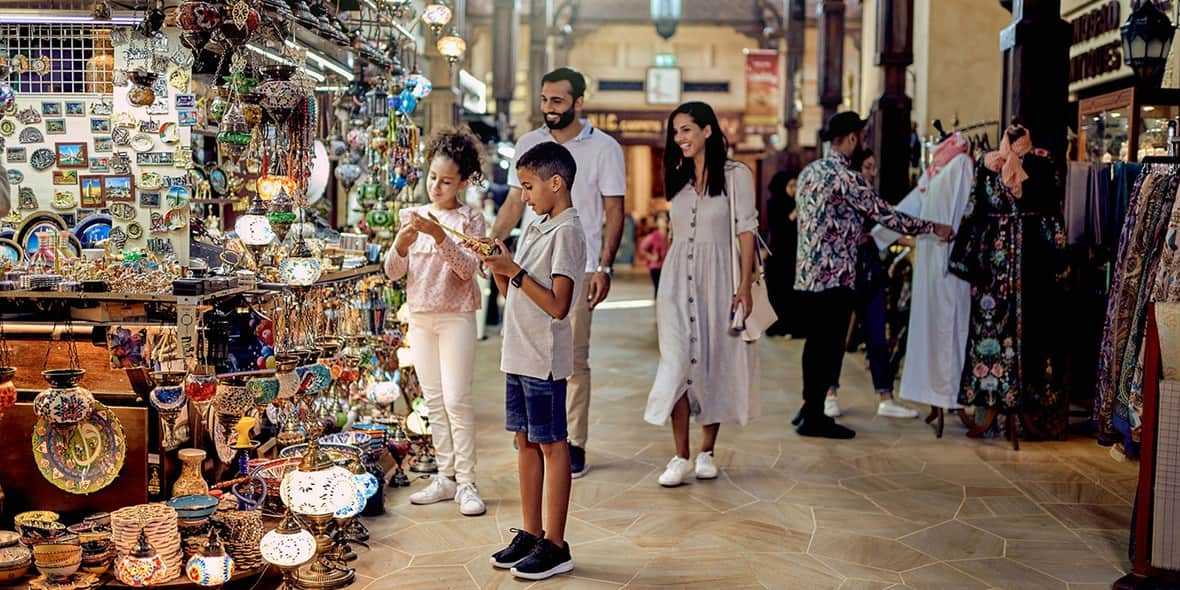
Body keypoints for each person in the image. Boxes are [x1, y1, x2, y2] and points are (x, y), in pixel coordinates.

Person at [492, 67, 626, 479]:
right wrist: (492, 242)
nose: (548, 109)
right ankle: (538, 435)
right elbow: (517, 201)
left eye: (557, 101)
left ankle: (572, 441)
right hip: (533, 256)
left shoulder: (605, 147)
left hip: (578, 261)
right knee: (530, 350)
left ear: (578, 102)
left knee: (573, 356)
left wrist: (604, 265)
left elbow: (614, 209)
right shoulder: (530, 143)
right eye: (544, 100)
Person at [793, 111, 954, 439]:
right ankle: (814, 417)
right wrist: (932, 226)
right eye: (862, 137)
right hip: (835, 275)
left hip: (808, 274)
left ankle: (808, 408)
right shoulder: (846, 177)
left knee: (815, 345)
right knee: (830, 346)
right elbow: (885, 214)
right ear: (853, 138)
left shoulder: (810, 172)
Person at [480, 142, 585, 581]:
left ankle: (556, 545)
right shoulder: (540, 226)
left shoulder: (568, 232)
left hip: (543, 357)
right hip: (518, 350)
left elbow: (559, 306)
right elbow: (518, 297)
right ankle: (531, 530)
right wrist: (499, 270)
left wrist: (515, 270)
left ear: (555, 183)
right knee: (524, 442)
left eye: (528, 186)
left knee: (552, 444)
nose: (523, 196)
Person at [644, 101, 760, 486]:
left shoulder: (736, 175)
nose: (679, 138)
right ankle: (679, 455)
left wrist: (743, 285)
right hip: (677, 280)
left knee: (712, 361)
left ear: (708, 130)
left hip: (719, 279)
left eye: (686, 130)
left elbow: (747, 232)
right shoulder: (676, 175)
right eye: (675, 132)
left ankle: (706, 451)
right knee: (676, 362)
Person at [384, 127, 488, 516]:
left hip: (457, 316)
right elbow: (393, 272)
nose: (436, 187)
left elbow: (466, 271)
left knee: (458, 399)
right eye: (432, 178)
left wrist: (439, 236)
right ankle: (445, 477)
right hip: (421, 317)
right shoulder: (413, 215)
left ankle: (468, 482)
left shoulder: (470, 219)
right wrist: (402, 243)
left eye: (446, 181)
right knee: (433, 400)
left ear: (463, 181)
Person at [825, 149, 919, 420]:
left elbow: (885, 227)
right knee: (838, 335)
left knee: (877, 333)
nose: (871, 172)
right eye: (867, 166)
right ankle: (829, 392)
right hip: (845, 272)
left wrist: (913, 237)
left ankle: (885, 396)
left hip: (870, 270)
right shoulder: (845, 193)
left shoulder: (869, 197)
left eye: (873, 168)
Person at [765, 170, 799, 337]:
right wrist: (793, 216)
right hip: (779, 255)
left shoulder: (797, 203)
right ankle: (777, 326)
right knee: (778, 292)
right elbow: (778, 228)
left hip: (793, 255)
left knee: (791, 293)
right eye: (791, 186)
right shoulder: (774, 203)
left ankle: (792, 326)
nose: (794, 190)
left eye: (796, 186)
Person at [638, 211, 669, 296]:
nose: (665, 219)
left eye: (666, 217)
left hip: (668, 267)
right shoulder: (653, 236)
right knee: (659, 289)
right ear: (656, 222)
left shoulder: (671, 236)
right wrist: (652, 257)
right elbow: (642, 248)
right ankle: (658, 308)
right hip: (656, 268)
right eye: (661, 218)